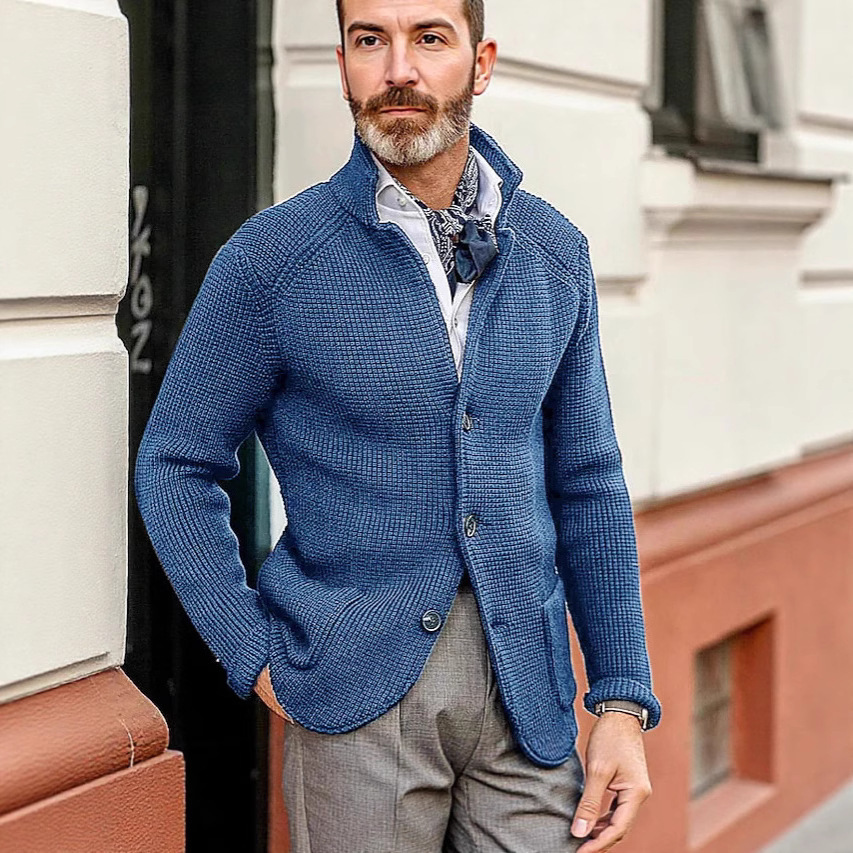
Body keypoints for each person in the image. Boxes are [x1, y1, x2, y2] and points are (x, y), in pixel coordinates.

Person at [134, 0, 663, 850]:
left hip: (525, 688)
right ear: (343, 61)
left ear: (480, 62)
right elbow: (175, 461)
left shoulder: (552, 252)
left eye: (429, 38)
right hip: (353, 693)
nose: (398, 70)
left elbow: (588, 479)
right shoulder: (272, 261)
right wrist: (251, 650)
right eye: (369, 40)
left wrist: (621, 698)